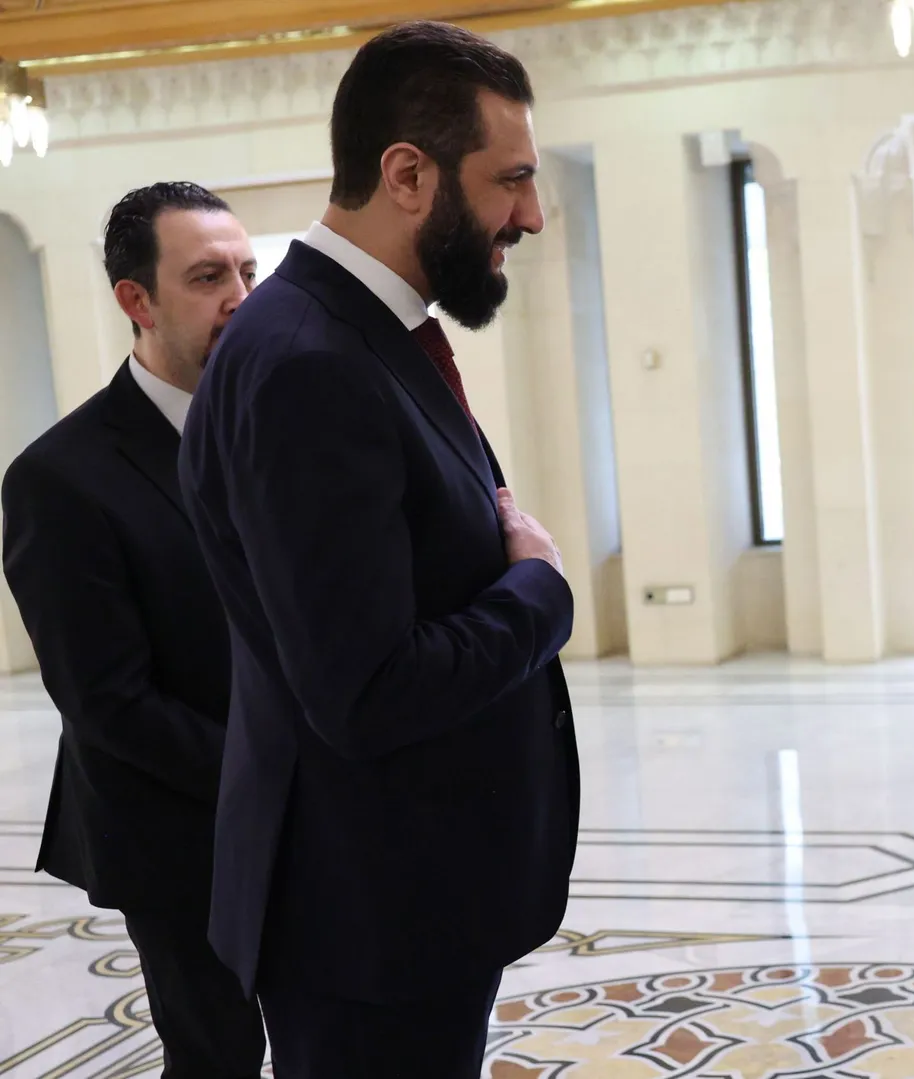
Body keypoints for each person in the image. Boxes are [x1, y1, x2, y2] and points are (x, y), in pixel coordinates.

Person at [176, 22, 575, 1076]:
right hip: (367, 922)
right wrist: (539, 591)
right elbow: (366, 689)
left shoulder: (350, 333)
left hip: (396, 900)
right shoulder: (309, 361)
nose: (531, 214)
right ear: (408, 175)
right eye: (511, 180)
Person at [1, 182, 265, 1076]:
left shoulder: (284, 430)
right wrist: (272, 779)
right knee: (218, 1055)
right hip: (177, 826)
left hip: (315, 811)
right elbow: (109, 701)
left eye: (248, 272)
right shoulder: (59, 478)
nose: (241, 297)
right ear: (137, 301)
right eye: (208, 277)